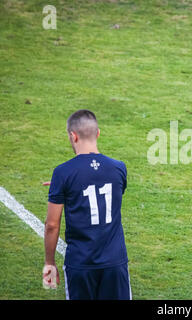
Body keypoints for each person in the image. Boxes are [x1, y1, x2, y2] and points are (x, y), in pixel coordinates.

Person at [43, 109, 131, 300]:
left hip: (81, 264)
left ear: (73, 136)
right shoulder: (119, 168)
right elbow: (104, 188)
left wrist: (49, 262)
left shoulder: (62, 173)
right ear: (98, 133)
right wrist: (70, 186)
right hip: (115, 263)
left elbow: (51, 225)